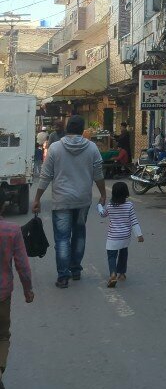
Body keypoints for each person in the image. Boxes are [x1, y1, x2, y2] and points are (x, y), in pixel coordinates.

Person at [33, 115, 106, 288]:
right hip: (82, 200)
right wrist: (103, 194)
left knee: (62, 239)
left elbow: (45, 176)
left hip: (61, 201)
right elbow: (99, 175)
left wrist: (37, 198)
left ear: (67, 129)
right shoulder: (92, 148)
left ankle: (63, 276)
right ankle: (76, 270)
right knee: (79, 233)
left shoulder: (55, 148)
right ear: (82, 130)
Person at [0, 203, 34, 389]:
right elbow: (22, 264)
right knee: (3, 336)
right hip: (2, 295)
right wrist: (27, 289)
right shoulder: (12, 230)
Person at [99, 181, 143, 288]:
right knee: (123, 253)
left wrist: (99, 205)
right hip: (125, 236)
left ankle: (113, 274)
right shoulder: (129, 205)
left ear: (113, 193)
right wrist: (139, 235)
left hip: (113, 236)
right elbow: (134, 221)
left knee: (112, 256)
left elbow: (102, 215)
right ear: (126, 193)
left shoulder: (110, 206)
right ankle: (122, 274)